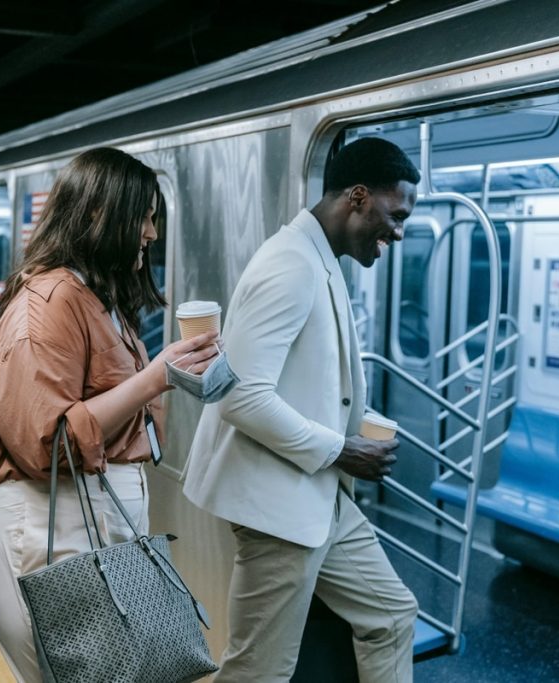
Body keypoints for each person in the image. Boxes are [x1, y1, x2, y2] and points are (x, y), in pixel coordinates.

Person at [0, 147, 220, 683]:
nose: (151, 233)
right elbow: (48, 444)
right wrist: (157, 376)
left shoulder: (97, 297)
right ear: (99, 215)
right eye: (144, 216)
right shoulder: (51, 299)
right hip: (53, 528)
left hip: (93, 522)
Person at [183, 137, 420, 682]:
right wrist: (343, 448)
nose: (400, 231)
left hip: (319, 497)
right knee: (258, 670)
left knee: (390, 614)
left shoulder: (318, 258)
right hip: (280, 507)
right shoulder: (291, 264)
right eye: (397, 213)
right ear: (358, 197)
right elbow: (239, 393)